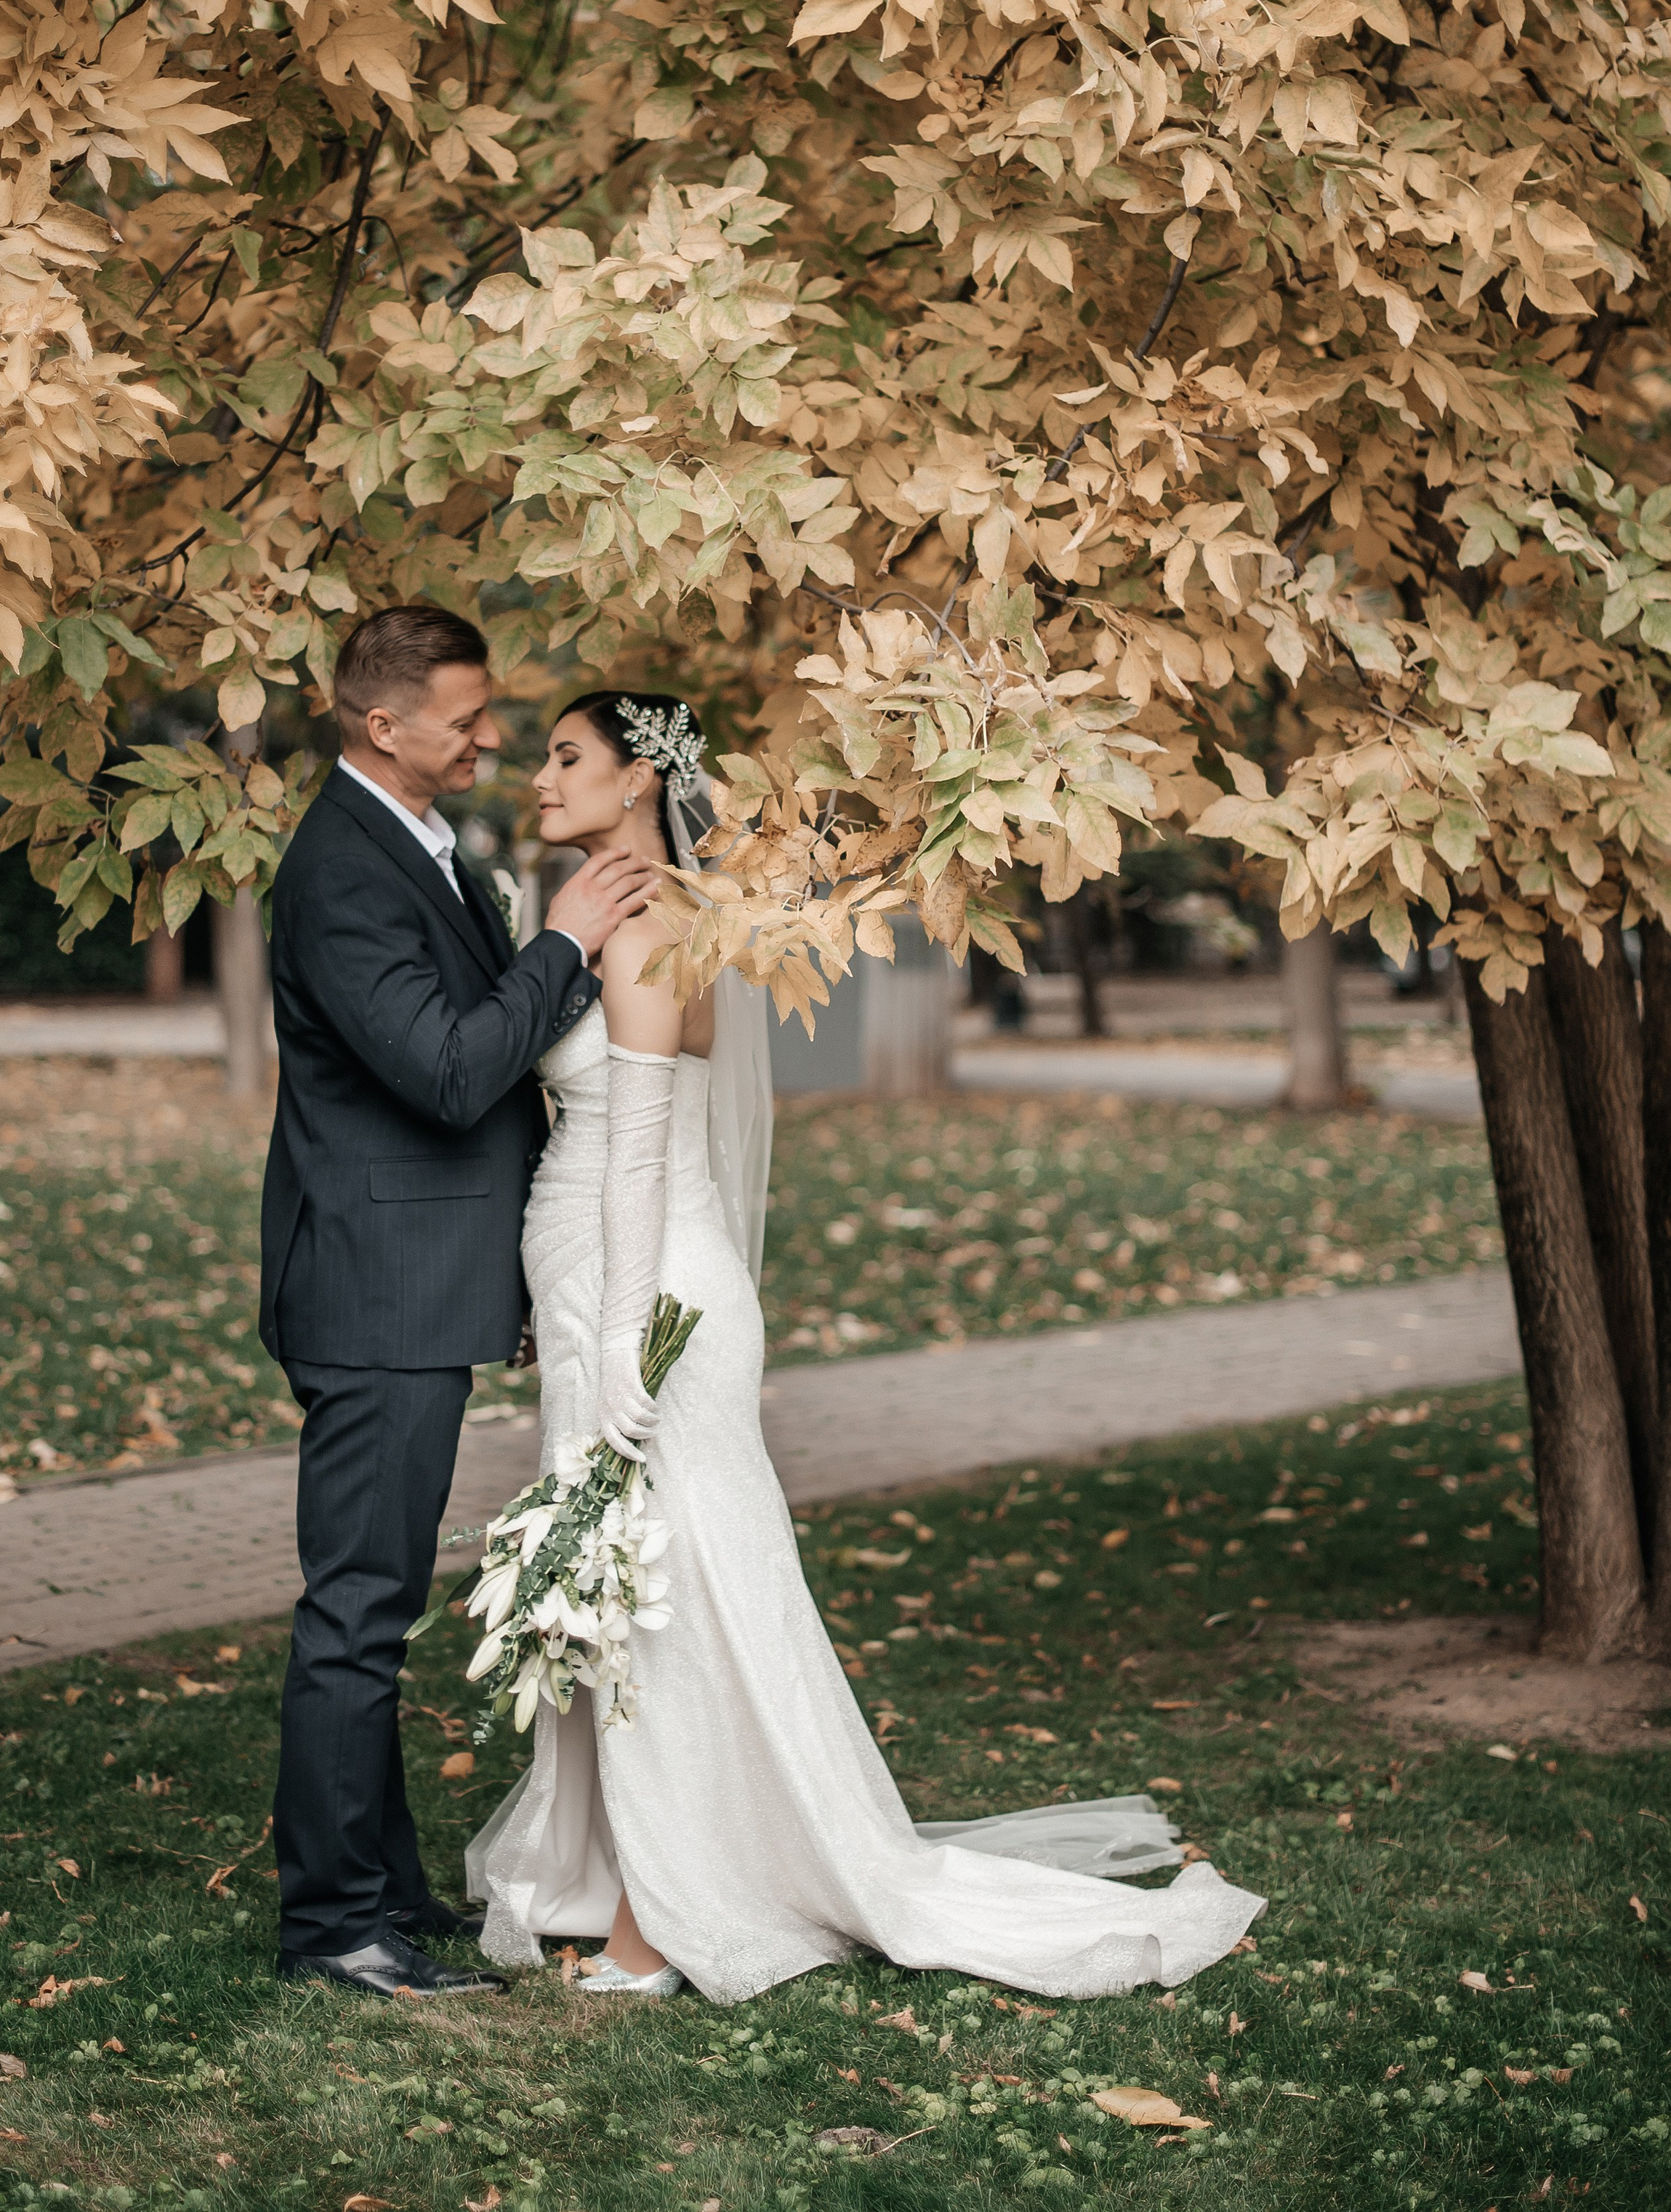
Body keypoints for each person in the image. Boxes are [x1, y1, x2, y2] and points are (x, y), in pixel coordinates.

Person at [467, 689, 1266, 2003]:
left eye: (567, 759)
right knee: (650, 1586)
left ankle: (663, 1920)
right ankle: (636, 1872)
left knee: (674, 1596)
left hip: (645, 1290)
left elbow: (646, 1150)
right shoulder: (627, 917)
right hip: (604, 1281)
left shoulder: (655, 927)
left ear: (636, 785)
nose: (541, 780)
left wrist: (620, 1337)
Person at [262, 606, 654, 2000]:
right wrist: (557, 942)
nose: (492, 736)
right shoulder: (337, 875)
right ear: (385, 726)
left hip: (427, 1278)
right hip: (372, 1291)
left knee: (383, 1602)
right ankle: (331, 1927)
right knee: (359, 1608)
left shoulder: (420, 847)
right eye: (467, 716)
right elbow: (445, 1071)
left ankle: (386, 1887)